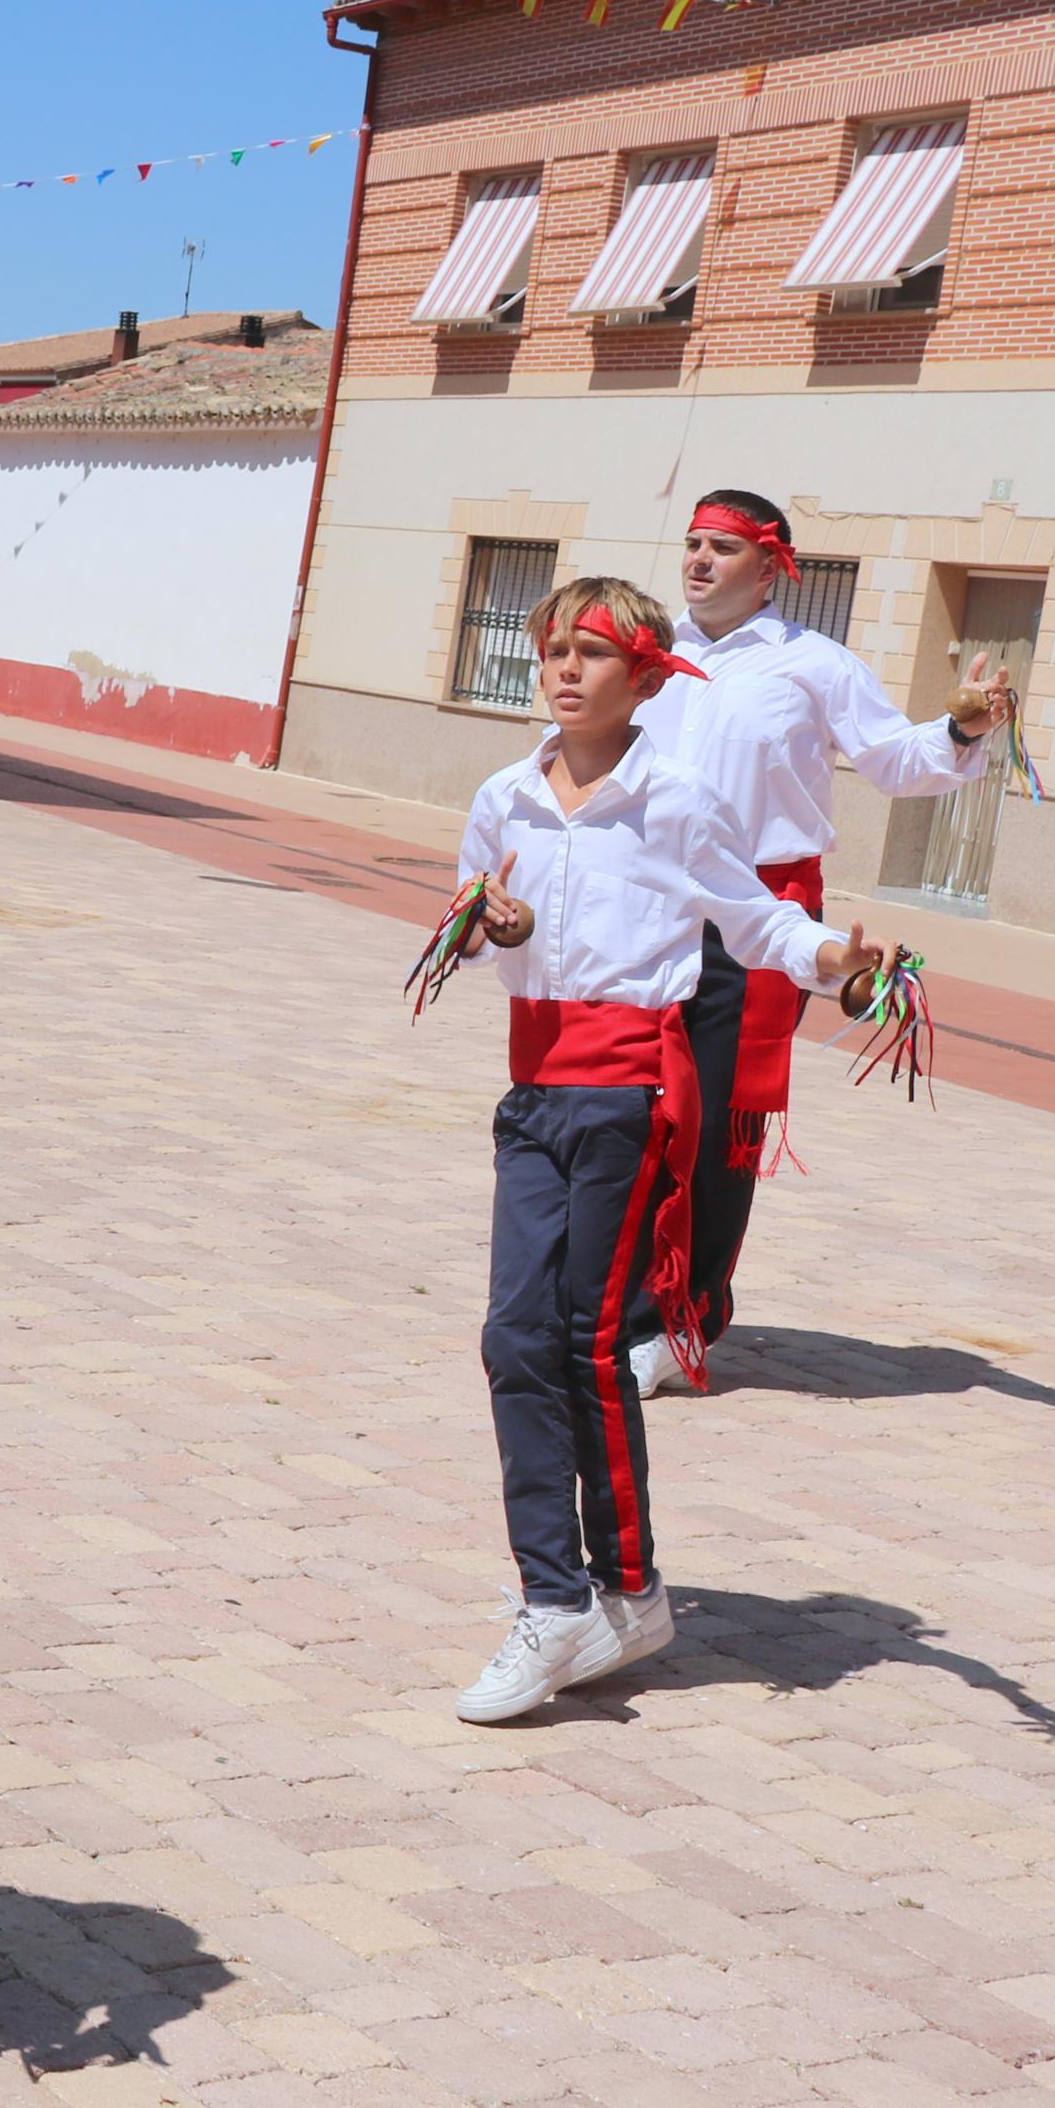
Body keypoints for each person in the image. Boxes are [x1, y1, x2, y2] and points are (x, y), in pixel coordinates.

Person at [439, 579, 880, 1725]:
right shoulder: (502, 797)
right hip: (532, 1092)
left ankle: (607, 1591)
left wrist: (835, 957)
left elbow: (754, 921)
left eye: (592, 653)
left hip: (630, 1095)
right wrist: (493, 926)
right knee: (509, 1337)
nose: (565, 670)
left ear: (645, 679)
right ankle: (576, 1589)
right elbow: (477, 926)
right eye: (552, 651)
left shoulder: (674, 801)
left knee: (583, 1341)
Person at [633, 490, 1006, 1393]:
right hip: (640, 905)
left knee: (718, 1123)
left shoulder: (813, 663)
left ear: (769, 567)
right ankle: (609, 1298)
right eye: (690, 543)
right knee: (628, 1110)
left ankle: (679, 1322)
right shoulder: (645, 653)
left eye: (720, 547)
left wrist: (961, 725)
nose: (698, 560)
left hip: (755, 923)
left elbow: (891, 758)